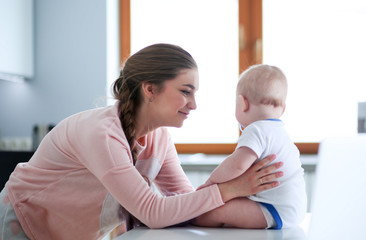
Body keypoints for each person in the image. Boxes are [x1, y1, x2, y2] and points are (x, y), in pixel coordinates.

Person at [0, 44, 283, 240]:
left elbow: (183, 200)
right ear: (150, 89)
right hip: (21, 223)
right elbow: (153, 212)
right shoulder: (103, 134)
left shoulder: (159, 137)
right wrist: (230, 188)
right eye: (186, 91)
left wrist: (246, 203)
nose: (194, 104)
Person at [194, 64, 307, 229]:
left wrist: (211, 182)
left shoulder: (256, 129)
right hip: (290, 209)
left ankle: (193, 220)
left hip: (273, 209)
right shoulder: (280, 133)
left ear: (242, 103)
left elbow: (238, 164)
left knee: (215, 211)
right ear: (282, 110)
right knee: (232, 206)